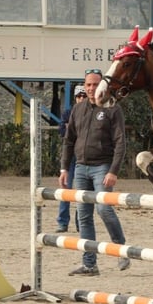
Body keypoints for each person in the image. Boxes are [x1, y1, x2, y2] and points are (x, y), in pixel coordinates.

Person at [58, 69, 130, 275]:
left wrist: (113, 170)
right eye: (88, 84)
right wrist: (64, 167)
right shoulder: (77, 109)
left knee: (104, 209)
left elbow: (120, 142)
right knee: (83, 215)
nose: (91, 88)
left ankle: (120, 249)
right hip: (80, 167)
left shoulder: (113, 109)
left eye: (94, 84)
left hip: (103, 167)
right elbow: (69, 140)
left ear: (102, 86)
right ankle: (89, 263)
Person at [55, 84, 87, 233]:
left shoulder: (91, 113)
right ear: (75, 98)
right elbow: (62, 131)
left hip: (83, 156)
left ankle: (80, 222)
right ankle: (62, 222)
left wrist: (70, 129)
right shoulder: (68, 112)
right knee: (66, 189)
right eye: (79, 96)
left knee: (82, 191)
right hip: (70, 156)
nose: (81, 98)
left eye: (84, 95)